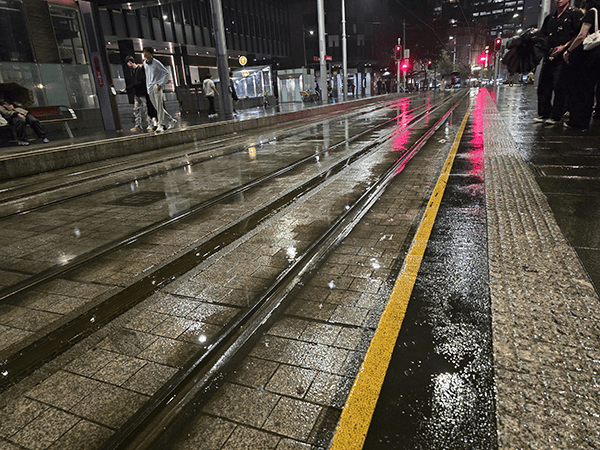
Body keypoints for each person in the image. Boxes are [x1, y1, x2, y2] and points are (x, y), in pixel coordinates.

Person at [535, 0, 583, 125]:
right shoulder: (550, 17)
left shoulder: (574, 13)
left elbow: (579, 33)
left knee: (560, 86)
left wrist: (565, 47)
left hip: (565, 55)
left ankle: (556, 115)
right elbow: (543, 34)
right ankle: (544, 113)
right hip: (549, 54)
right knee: (543, 85)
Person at [563, 0, 600, 129]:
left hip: (593, 55)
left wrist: (568, 51)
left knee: (585, 89)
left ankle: (579, 121)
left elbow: (581, 35)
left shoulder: (592, 12)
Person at [142, 46, 177, 133]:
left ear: (151, 53)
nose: (145, 53)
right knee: (158, 107)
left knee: (159, 106)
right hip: (149, 88)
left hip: (156, 87)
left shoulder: (156, 63)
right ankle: (171, 120)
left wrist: (160, 84)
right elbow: (147, 76)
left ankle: (161, 124)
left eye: (146, 52)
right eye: (144, 52)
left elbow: (166, 73)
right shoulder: (145, 64)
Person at [122, 56, 153, 133]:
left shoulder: (140, 69)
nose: (128, 66)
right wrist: (127, 88)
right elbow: (134, 82)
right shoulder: (134, 71)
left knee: (146, 109)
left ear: (130, 62)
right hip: (137, 94)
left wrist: (130, 87)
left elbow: (141, 81)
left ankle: (151, 125)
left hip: (142, 93)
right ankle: (138, 126)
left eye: (127, 63)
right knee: (136, 110)